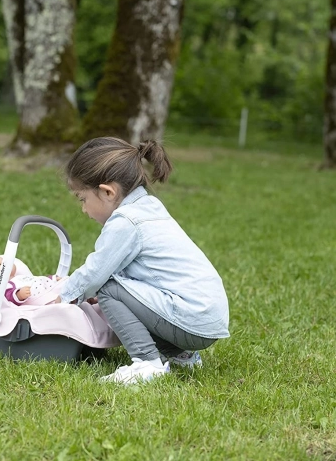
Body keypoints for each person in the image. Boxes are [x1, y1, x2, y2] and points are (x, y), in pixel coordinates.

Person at [54, 136, 230, 384]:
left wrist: (62, 296)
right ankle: (181, 355)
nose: (83, 209)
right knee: (115, 286)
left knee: (108, 287)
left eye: (83, 199)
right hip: (206, 318)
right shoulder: (149, 207)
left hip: (190, 318)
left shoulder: (126, 221)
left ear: (107, 192)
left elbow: (95, 274)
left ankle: (146, 364)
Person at [0, 255, 66, 306]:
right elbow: (8, 297)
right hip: (43, 299)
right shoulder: (6, 286)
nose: (5, 262)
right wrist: (19, 295)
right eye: (0, 264)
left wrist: (53, 279)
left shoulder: (20, 277)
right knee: (60, 297)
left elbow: (36, 279)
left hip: (48, 288)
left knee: (66, 283)